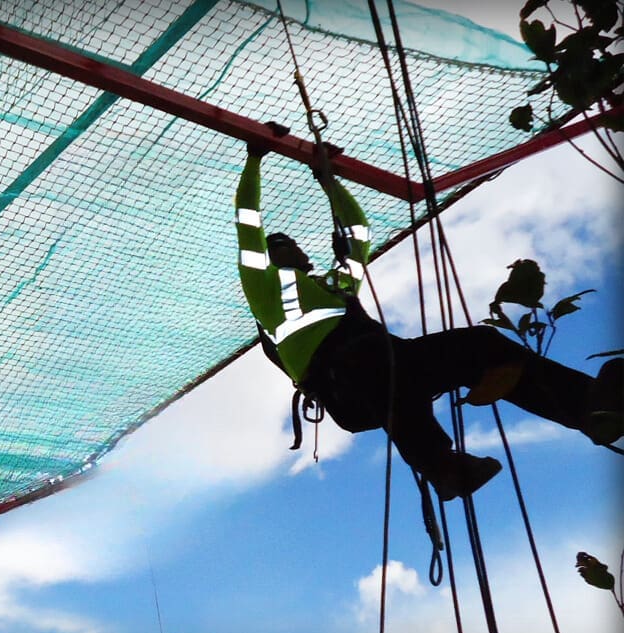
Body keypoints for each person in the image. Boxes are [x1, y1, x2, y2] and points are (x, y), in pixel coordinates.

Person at [235, 122, 623, 500]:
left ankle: (589, 408)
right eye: (276, 245)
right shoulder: (262, 288)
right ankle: (441, 467)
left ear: (304, 253)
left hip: (384, 366)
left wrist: (329, 182)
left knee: (482, 347)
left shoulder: (337, 285)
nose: (284, 246)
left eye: (288, 241)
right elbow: (247, 224)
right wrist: (255, 160)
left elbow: (359, 232)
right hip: (346, 383)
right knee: (379, 368)